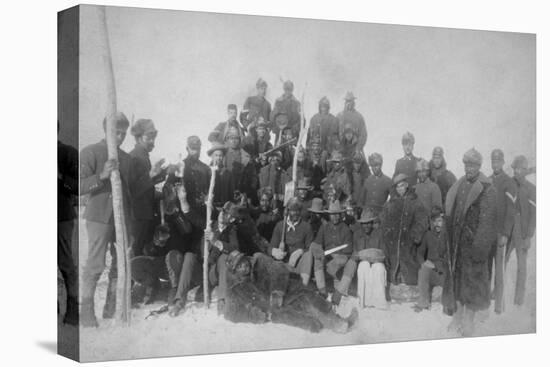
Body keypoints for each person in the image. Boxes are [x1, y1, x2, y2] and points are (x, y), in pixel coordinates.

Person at [79, 112, 135, 327]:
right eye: (116, 133)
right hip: (98, 217)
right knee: (95, 264)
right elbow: (78, 186)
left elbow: (128, 194)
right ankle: (86, 314)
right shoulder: (91, 152)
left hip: (120, 219)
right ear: (106, 130)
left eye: (123, 133)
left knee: (120, 263)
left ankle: (112, 309)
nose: (119, 138)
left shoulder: (127, 159)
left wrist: (128, 226)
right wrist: (101, 176)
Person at [223, 250, 358, 333]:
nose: (244, 266)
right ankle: (321, 326)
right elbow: (230, 313)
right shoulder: (234, 286)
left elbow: (279, 270)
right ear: (234, 271)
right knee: (305, 320)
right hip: (273, 311)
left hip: (285, 292)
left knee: (309, 298)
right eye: (239, 266)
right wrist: (254, 315)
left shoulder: (259, 260)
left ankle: (338, 322)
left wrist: (277, 292)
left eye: (244, 261)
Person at [443, 148, 497, 337]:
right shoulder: (460, 185)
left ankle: (469, 321)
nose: (469, 168)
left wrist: (479, 248)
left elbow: (487, 222)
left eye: (473, 165)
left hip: (474, 246)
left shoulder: (487, 189)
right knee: (458, 281)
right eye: (466, 164)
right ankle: (457, 316)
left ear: (479, 166)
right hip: (458, 244)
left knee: (472, 284)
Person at [380, 173, 428, 288]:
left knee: (409, 266)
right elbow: (383, 219)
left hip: (408, 241)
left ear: (406, 185)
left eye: (402, 186)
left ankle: (407, 281)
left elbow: (422, 221)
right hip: (393, 240)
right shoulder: (391, 203)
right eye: (397, 187)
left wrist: (414, 236)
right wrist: (387, 232)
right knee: (392, 263)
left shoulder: (415, 201)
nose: (400, 189)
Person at [129, 119, 166, 257]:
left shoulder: (143, 156)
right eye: (148, 138)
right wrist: (151, 176)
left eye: (153, 138)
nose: (152, 142)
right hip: (137, 216)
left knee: (141, 252)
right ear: (138, 138)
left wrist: (166, 173)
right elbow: (132, 191)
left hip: (144, 214)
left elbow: (147, 183)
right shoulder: (134, 157)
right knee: (135, 252)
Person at [488, 149, 517, 313]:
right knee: (487, 269)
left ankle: (499, 305)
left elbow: (511, 211)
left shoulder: (509, 182)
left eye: (498, 161)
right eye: (493, 161)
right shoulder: (488, 180)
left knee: (499, 270)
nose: (495, 164)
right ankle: (486, 299)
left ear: (503, 162)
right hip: (488, 234)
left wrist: (506, 233)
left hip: (500, 234)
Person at [310, 200, 355, 305]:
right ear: (329, 215)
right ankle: (322, 291)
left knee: (352, 264)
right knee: (318, 259)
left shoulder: (346, 229)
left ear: (340, 215)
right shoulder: (324, 227)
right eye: (332, 215)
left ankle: (338, 294)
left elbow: (348, 252)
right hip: (328, 257)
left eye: (337, 215)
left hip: (341, 258)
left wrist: (339, 261)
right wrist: (318, 251)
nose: (335, 217)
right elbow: (317, 243)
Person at [506, 155, 536, 307]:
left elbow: (533, 215)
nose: (516, 172)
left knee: (522, 267)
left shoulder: (532, 189)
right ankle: (497, 294)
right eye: (514, 169)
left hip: (522, 232)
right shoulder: (509, 184)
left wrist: (529, 236)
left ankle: (519, 300)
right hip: (508, 230)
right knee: (501, 262)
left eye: (519, 169)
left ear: (524, 170)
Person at [58, 123, 79, 325]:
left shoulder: (67, 153)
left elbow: (80, 186)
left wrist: (61, 178)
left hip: (61, 216)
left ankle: (73, 311)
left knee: (65, 263)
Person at [269, 198, 315, 286]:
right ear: (287, 211)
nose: (296, 213)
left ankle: (303, 286)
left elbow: (310, 248)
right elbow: (270, 247)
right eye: (293, 210)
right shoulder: (280, 226)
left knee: (308, 255)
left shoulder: (306, 227)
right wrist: (274, 252)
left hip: (299, 267)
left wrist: (300, 252)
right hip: (282, 265)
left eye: (298, 210)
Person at [413, 207, 449, 312]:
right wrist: (424, 262)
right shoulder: (428, 235)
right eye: (434, 221)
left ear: (444, 221)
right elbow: (419, 253)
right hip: (431, 270)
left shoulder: (448, 236)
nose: (437, 224)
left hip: (444, 270)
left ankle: (448, 304)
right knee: (423, 270)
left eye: (439, 221)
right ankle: (423, 302)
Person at [354, 210, 388, 309]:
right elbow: (356, 252)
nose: (366, 226)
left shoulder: (379, 233)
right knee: (363, 266)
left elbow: (383, 252)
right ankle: (363, 301)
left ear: (372, 223)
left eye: (368, 223)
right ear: (361, 224)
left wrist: (376, 257)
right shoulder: (357, 234)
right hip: (363, 261)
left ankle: (379, 302)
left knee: (378, 268)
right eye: (364, 224)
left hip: (377, 261)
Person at [224, 127, 258, 204]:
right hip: (226, 192)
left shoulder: (246, 156)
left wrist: (248, 193)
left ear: (239, 140)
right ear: (227, 140)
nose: (233, 140)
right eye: (231, 138)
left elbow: (253, 177)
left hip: (242, 194)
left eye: (236, 138)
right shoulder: (222, 155)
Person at [182, 136, 211, 209]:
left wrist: (207, 197)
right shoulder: (180, 166)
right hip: (185, 208)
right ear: (187, 149)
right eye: (193, 149)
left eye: (198, 149)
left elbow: (211, 189)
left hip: (202, 207)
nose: (196, 152)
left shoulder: (205, 168)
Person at [208, 142, 234, 208]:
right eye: (216, 155)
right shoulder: (208, 171)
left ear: (223, 157)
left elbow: (231, 193)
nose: (218, 158)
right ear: (212, 156)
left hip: (224, 206)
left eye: (220, 155)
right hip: (211, 206)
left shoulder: (228, 173)